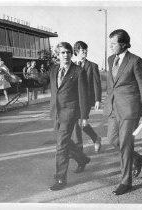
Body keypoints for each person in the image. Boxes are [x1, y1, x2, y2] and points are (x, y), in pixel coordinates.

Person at [104, 29, 142, 195]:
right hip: (113, 108)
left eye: (113, 43)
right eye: (109, 43)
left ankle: (125, 181)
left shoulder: (136, 61)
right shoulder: (111, 60)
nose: (110, 46)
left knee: (125, 143)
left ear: (123, 43)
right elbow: (112, 83)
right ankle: (137, 158)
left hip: (129, 109)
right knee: (112, 139)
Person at [48, 42, 90, 191]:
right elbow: (55, 90)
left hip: (70, 112)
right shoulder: (53, 70)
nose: (66, 55)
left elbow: (83, 95)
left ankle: (60, 179)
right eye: (63, 53)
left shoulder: (78, 71)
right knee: (65, 142)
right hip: (56, 112)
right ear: (57, 55)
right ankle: (83, 159)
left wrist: (84, 116)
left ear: (72, 54)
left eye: (68, 52)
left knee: (61, 146)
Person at [73, 41, 102, 153]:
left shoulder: (93, 66)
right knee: (78, 124)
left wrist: (97, 99)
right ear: (76, 52)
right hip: (74, 100)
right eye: (82, 50)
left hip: (86, 99)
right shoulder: (73, 65)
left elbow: (97, 83)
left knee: (81, 123)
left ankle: (81, 151)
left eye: (85, 49)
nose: (84, 52)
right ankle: (94, 139)